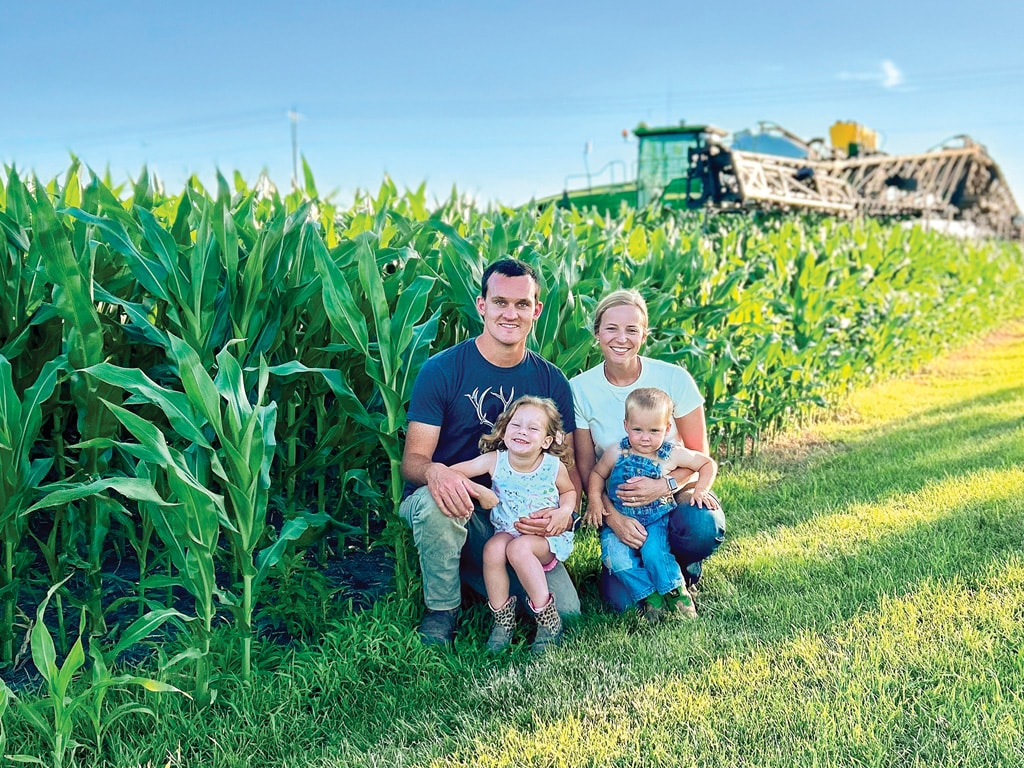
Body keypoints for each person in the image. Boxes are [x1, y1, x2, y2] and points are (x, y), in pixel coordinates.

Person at [399, 258, 581, 646]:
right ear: (482, 305)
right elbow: (413, 462)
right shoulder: (442, 370)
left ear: (537, 310)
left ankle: (486, 580)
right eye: (500, 302)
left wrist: (566, 510)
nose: (510, 313)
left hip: (517, 521)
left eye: (521, 304)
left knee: (567, 612)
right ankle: (442, 610)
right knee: (438, 500)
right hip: (458, 503)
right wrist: (438, 473)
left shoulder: (551, 381)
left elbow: (567, 469)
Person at [570, 288, 725, 614]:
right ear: (597, 332)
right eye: (611, 328)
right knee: (622, 603)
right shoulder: (580, 389)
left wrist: (664, 486)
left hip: (669, 499)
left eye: (631, 329)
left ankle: (681, 567)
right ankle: (649, 577)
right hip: (619, 505)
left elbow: (699, 455)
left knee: (701, 525)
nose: (620, 338)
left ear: (644, 334)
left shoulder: (673, 379)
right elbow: (588, 470)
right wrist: (613, 518)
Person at [449, 396, 577, 652]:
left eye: (533, 428)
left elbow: (569, 491)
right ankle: (503, 622)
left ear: (547, 441)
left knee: (519, 549)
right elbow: (452, 472)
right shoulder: (495, 460)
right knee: (493, 549)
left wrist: (564, 511)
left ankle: (547, 620)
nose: (522, 432)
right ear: (505, 430)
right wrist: (479, 491)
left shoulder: (552, 466)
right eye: (515, 425)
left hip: (546, 538)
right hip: (508, 530)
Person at [586, 388, 719, 622]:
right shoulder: (616, 452)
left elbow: (707, 463)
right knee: (615, 559)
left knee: (654, 553)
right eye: (637, 430)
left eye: (654, 431)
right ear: (626, 425)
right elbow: (597, 473)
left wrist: (700, 490)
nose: (645, 438)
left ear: (667, 429)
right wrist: (595, 499)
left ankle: (675, 591)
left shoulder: (670, 454)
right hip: (620, 517)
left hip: (655, 519)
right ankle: (651, 595)